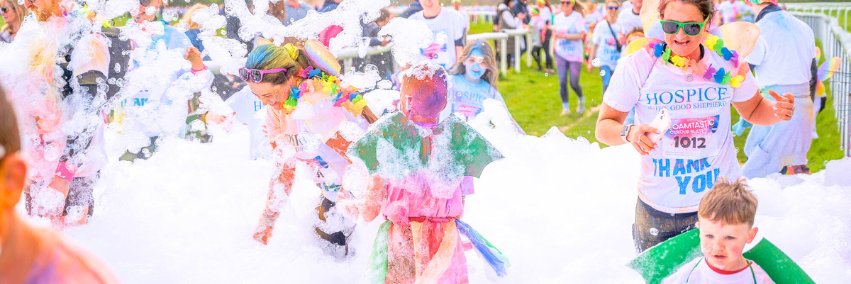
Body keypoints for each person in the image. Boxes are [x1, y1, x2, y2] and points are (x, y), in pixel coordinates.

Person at [595, 0, 795, 252]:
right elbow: (604, 126)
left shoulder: (728, 64)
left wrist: (776, 111)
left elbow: (755, 109)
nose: (679, 35)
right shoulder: (638, 66)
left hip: (722, 206)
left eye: (691, 27)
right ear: (660, 20)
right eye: (671, 26)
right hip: (660, 210)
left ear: (707, 23)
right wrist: (630, 132)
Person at [344, 63, 507, 283]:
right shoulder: (459, 139)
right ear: (445, 102)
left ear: (406, 101)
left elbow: (369, 212)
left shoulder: (389, 138)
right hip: (446, 246)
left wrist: (350, 205)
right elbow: (460, 210)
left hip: (404, 244)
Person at [244, 42, 375, 257]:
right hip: (337, 201)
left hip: (363, 200)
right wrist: (266, 223)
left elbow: (368, 157)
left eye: (268, 95)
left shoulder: (316, 103)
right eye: (257, 96)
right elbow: (283, 169)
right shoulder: (278, 110)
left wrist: (370, 207)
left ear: (292, 77)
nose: (266, 103)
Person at [0, 85, 118, 284]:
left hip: (76, 168)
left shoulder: (74, 277)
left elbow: (90, 106)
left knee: (73, 226)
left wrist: (63, 176)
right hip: (41, 167)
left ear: (11, 179)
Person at [21, 0, 113, 227]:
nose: (26, 3)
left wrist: (63, 177)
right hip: (39, 169)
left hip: (73, 174)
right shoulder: (38, 36)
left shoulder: (85, 40)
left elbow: (89, 111)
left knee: (70, 249)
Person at [117, 0, 213, 161]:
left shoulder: (174, 37)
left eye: (145, 1)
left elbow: (199, 81)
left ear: (157, 3)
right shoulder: (121, 37)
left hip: (168, 129)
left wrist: (197, 64)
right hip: (132, 129)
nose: (139, 6)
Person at [740, 0, 816, 177]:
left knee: (757, 176)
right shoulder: (804, 27)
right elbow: (812, 73)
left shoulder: (757, 31)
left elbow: (742, 74)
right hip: (802, 107)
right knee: (755, 152)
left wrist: (746, 107)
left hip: (778, 108)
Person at [664, 179, 774, 283]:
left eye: (729, 237)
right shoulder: (689, 274)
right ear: (700, 230)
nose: (717, 246)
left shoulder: (758, 279)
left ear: (750, 235)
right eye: (709, 236)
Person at [446, 40, 520, 129]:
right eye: (472, 60)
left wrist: (526, 138)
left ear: (488, 65)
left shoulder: (490, 92)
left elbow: (508, 121)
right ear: (464, 60)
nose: (476, 66)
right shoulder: (450, 83)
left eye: (482, 62)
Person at [410, 0, 468, 69]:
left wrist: (456, 74)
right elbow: (408, 58)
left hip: (449, 74)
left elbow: (460, 51)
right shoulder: (412, 21)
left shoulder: (455, 18)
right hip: (421, 76)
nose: (428, 1)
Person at [553, 0, 586, 115]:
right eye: (562, 3)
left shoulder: (577, 17)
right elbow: (554, 33)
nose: (565, 5)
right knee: (562, 81)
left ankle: (581, 99)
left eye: (568, 3)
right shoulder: (557, 17)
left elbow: (581, 35)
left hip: (575, 54)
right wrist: (553, 47)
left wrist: (566, 36)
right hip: (560, 53)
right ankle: (565, 107)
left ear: (572, 4)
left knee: (573, 83)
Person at [589, 0, 623, 92]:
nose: (613, 10)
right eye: (610, 8)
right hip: (604, 61)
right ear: (606, 9)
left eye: (616, 8)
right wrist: (590, 61)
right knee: (607, 83)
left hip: (618, 61)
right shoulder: (600, 26)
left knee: (616, 86)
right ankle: (606, 105)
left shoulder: (621, 25)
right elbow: (595, 44)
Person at [497, 0, 527, 68]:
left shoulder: (506, 10)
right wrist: (518, 19)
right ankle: (508, 66)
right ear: (509, 2)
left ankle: (509, 66)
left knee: (508, 53)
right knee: (507, 53)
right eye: (512, 2)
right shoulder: (505, 11)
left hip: (508, 36)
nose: (513, 4)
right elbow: (512, 24)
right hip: (507, 35)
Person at [535, 0, 555, 74]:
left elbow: (546, 22)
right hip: (543, 31)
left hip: (545, 32)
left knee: (546, 50)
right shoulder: (542, 10)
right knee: (544, 49)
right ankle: (547, 67)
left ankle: (549, 67)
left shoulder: (546, 10)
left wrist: (543, 33)